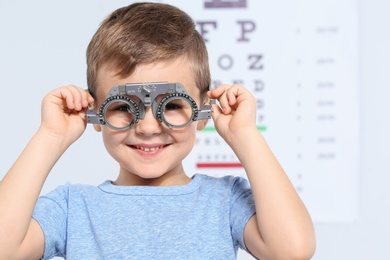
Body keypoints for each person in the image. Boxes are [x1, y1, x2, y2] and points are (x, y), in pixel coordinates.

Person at [0, 2, 315, 259]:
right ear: (95, 112)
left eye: (173, 105)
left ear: (202, 111)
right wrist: (51, 136)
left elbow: (292, 250)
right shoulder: (73, 208)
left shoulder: (223, 201)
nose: (148, 127)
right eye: (124, 107)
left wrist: (244, 134)